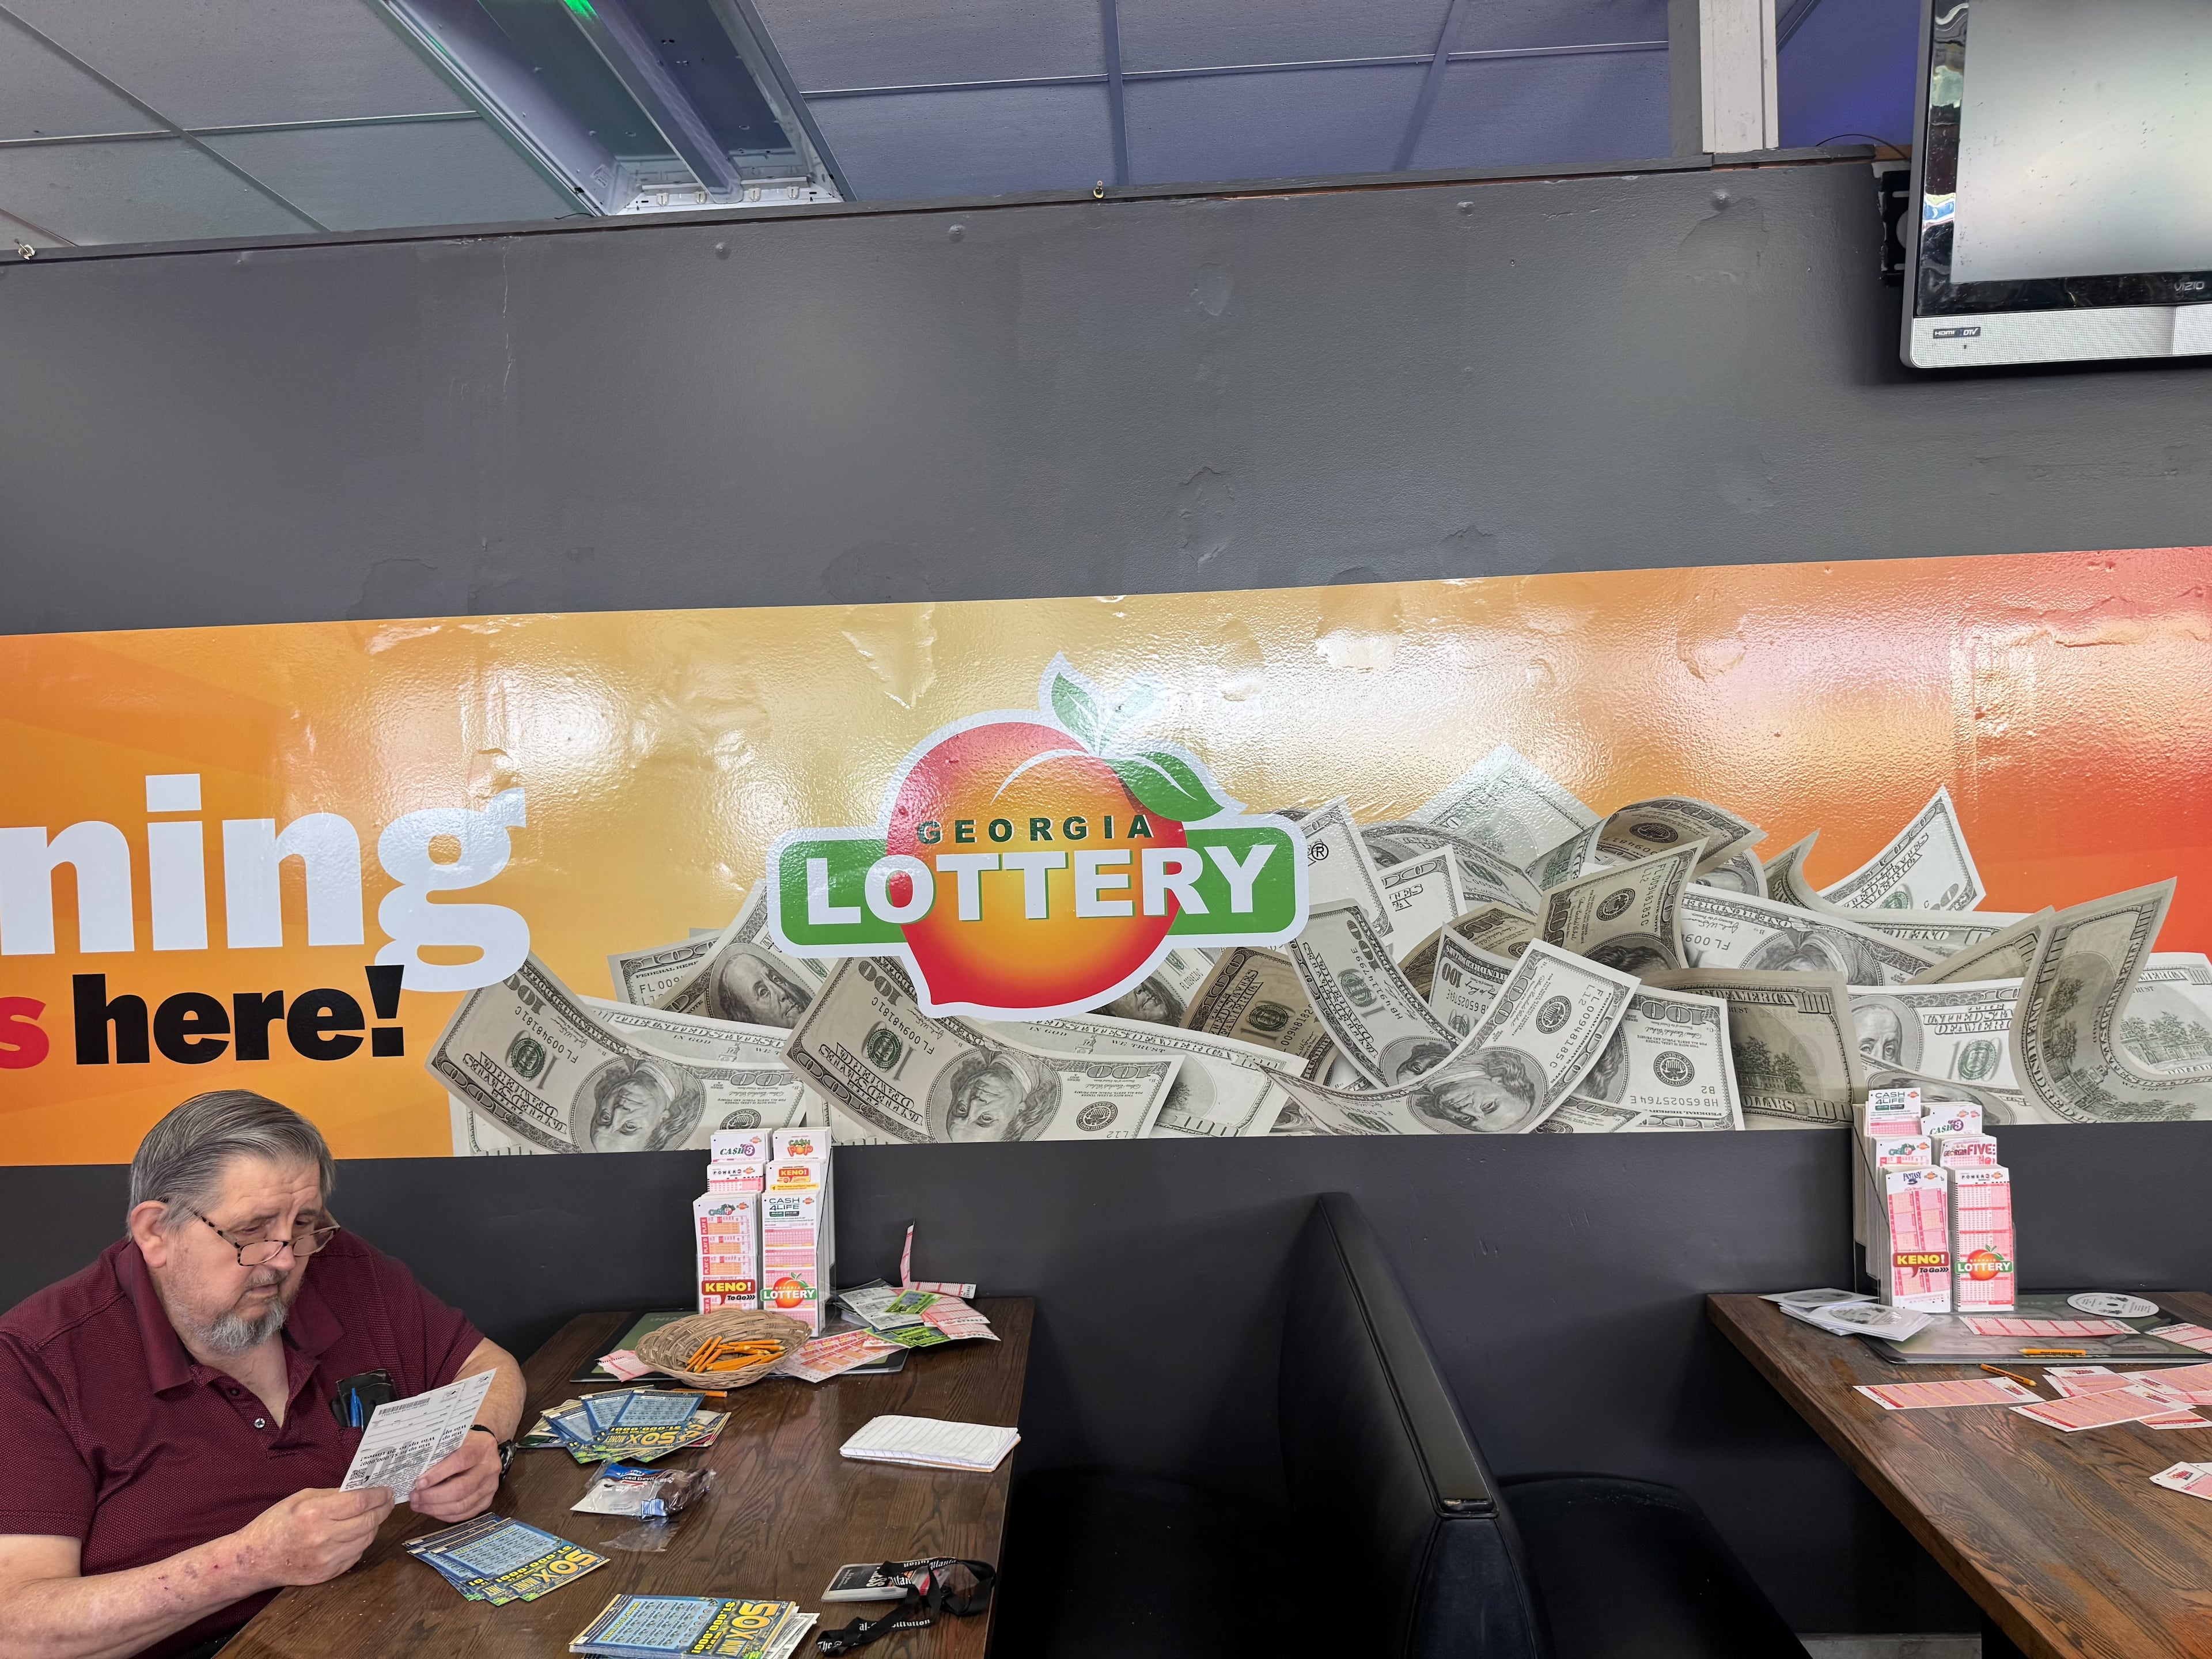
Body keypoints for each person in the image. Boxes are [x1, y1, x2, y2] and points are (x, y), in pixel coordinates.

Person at [0, 1090, 525, 1659]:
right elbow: (15, 1629)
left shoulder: (337, 1264)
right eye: (251, 1231)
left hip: (393, 1613)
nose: (284, 1260)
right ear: (155, 1232)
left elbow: (487, 1365)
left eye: (304, 1224)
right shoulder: (34, 1359)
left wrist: (481, 1437)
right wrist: (246, 1563)